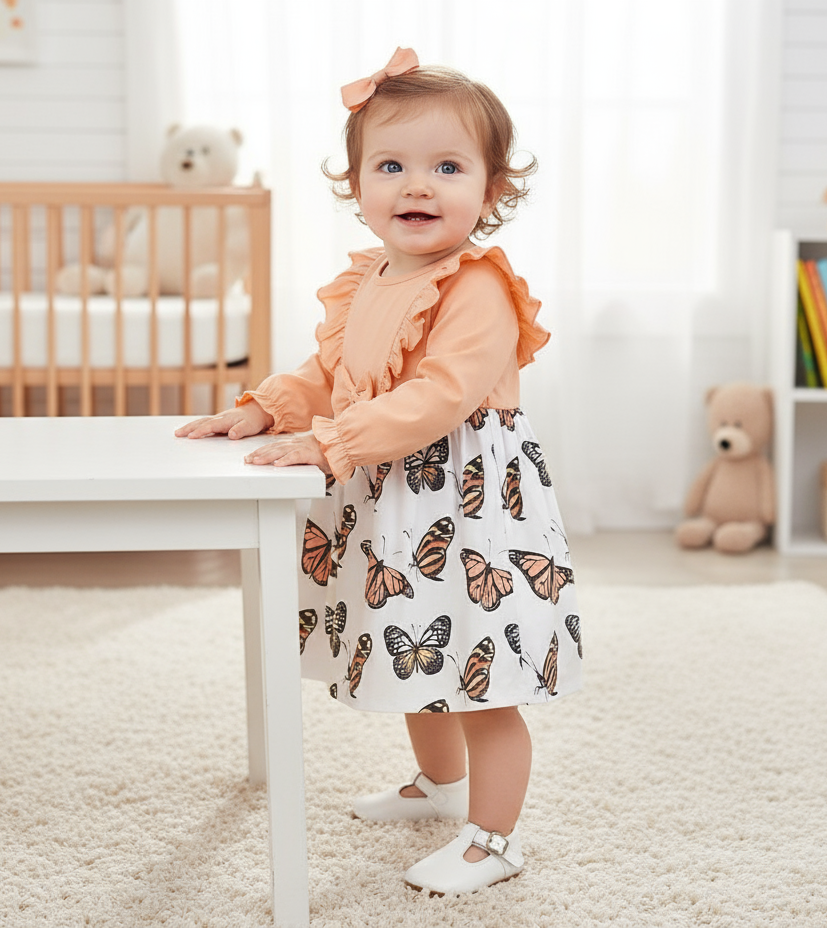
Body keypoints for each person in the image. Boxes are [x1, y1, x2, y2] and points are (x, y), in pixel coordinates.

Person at [175, 47, 582, 896]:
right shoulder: (369, 281)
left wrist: (329, 446)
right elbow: (334, 376)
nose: (417, 186)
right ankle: (439, 786)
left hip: (467, 508)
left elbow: (438, 396)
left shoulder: (478, 288)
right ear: (356, 187)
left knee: (479, 671)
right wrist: (268, 407)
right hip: (395, 496)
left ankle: (496, 840)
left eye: (447, 166)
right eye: (390, 166)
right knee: (415, 648)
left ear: (492, 189)